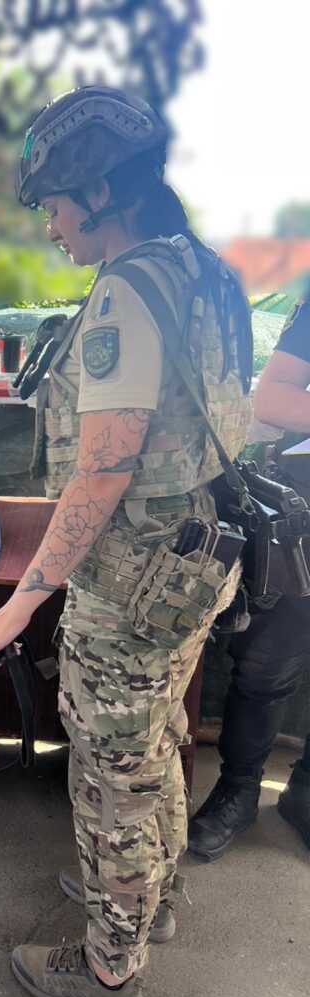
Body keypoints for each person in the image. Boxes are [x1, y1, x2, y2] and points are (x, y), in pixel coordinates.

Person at [0, 85, 253, 997]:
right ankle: (148, 902)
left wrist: (24, 599)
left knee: (110, 780)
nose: (51, 226)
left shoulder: (126, 289)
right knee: (155, 750)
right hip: (193, 568)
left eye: (55, 204)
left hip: (132, 582)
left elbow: (100, 473)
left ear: (98, 191)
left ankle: (106, 971)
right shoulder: (204, 271)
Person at [187, 290, 310, 861]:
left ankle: (303, 792)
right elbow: (274, 395)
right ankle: (238, 791)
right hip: (304, 513)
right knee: (267, 664)